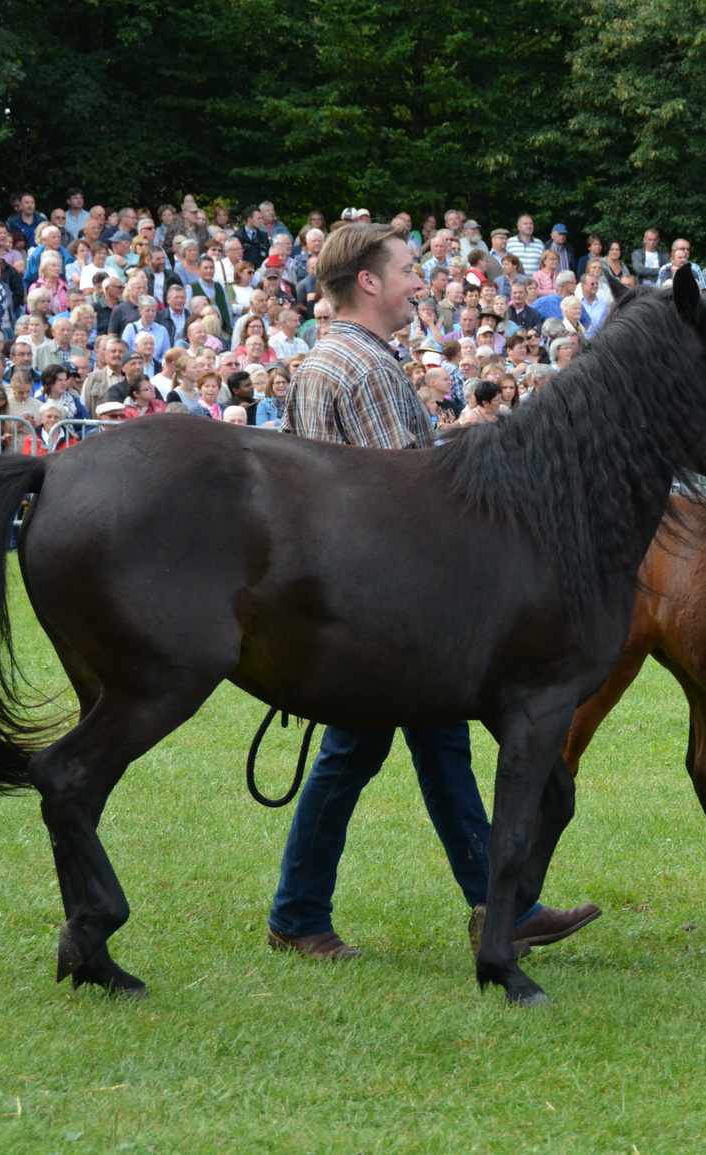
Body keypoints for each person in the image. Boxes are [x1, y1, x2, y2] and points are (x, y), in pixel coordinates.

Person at [269, 221, 598, 960]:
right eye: (410, 271)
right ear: (369, 282)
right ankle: (298, 914)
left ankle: (496, 901)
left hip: (359, 600)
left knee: (435, 742)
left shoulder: (323, 361)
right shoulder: (367, 369)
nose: (422, 283)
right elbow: (412, 495)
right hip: (390, 606)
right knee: (358, 751)